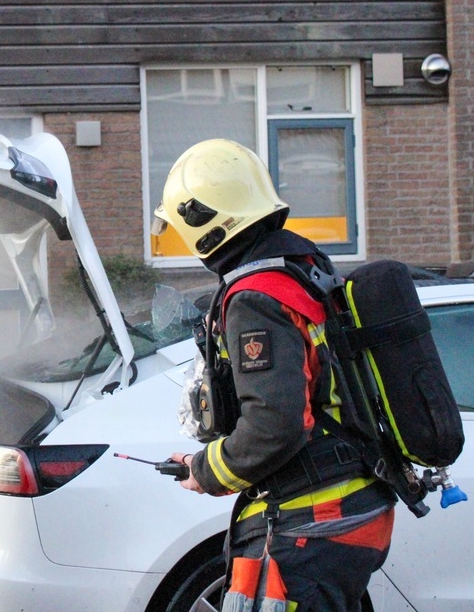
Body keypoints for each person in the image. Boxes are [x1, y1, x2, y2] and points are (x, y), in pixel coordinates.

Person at [154, 139, 396, 612]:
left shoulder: (256, 297)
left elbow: (275, 424)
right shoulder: (303, 268)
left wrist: (207, 471)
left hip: (310, 518)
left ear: (204, 221)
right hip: (349, 501)